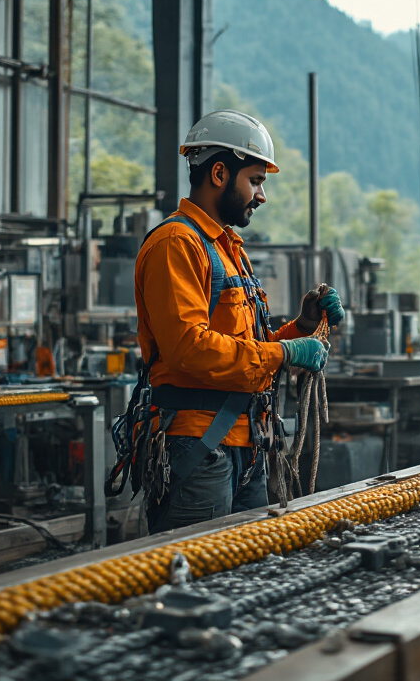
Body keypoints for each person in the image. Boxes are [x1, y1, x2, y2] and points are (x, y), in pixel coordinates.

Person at [133, 110, 344, 533]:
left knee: (248, 563)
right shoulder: (177, 244)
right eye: (255, 181)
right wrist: (285, 353)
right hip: (198, 448)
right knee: (200, 567)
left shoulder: (226, 247)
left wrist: (301, 328)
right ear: (218, 173)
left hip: (248, 444)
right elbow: (190, 349)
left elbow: (250, 347)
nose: (261, 195)